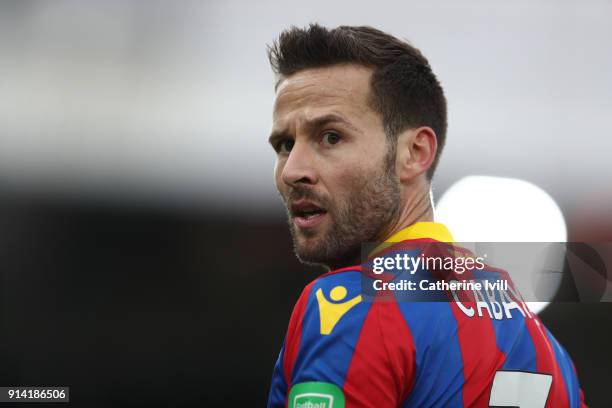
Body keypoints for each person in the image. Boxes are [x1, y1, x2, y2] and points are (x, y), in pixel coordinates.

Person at [266, 24, 585, 408]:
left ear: (415, 153)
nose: (292, 170)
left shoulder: (347, 307)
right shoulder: (547, 349)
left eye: (330, 137)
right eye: (285, 144)